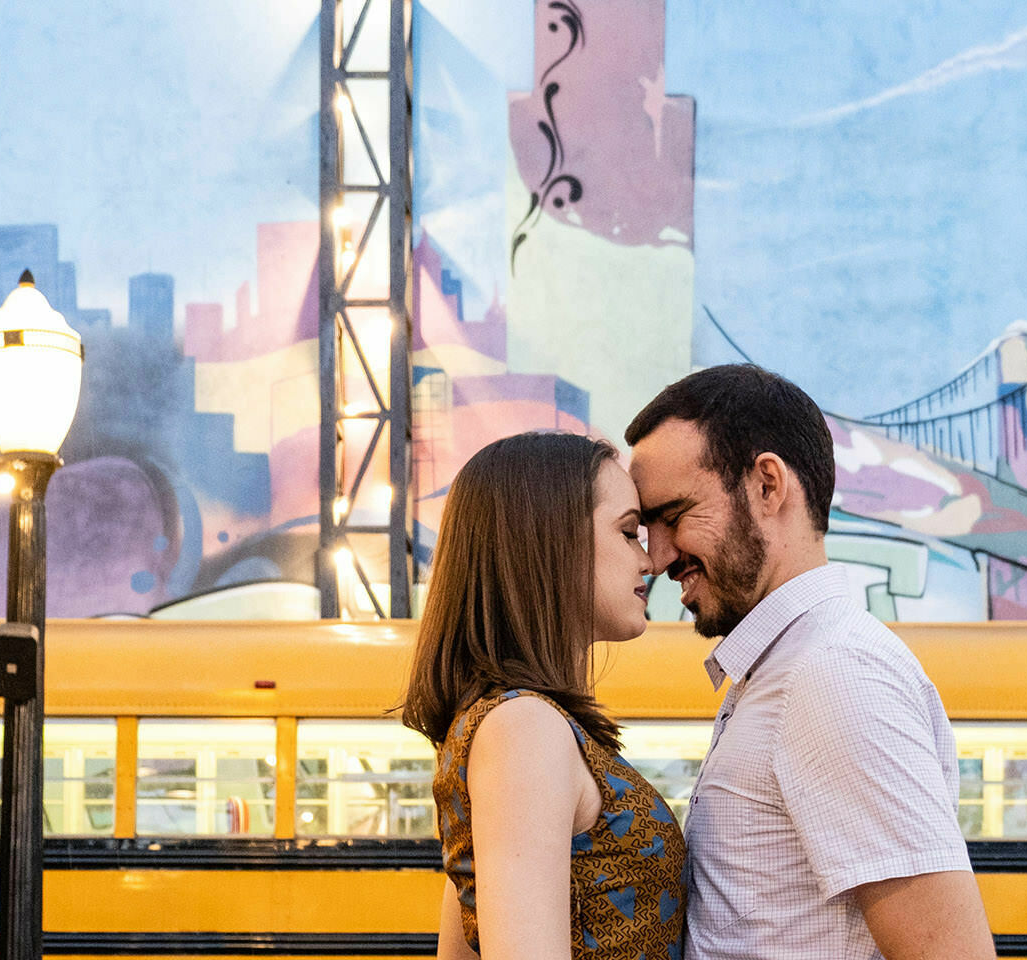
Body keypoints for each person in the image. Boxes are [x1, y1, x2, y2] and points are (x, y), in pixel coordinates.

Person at [626, 364, 996, 960]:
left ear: (768, 485)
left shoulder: (831, 676)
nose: (658, 556)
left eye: (674, 516)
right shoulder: (790, 668)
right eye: (644, 529)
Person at [400, 431, 687, 960]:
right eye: (628, 533)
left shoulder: (503, 722)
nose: (649, 562)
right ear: (550, 539)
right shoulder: (524, 728)